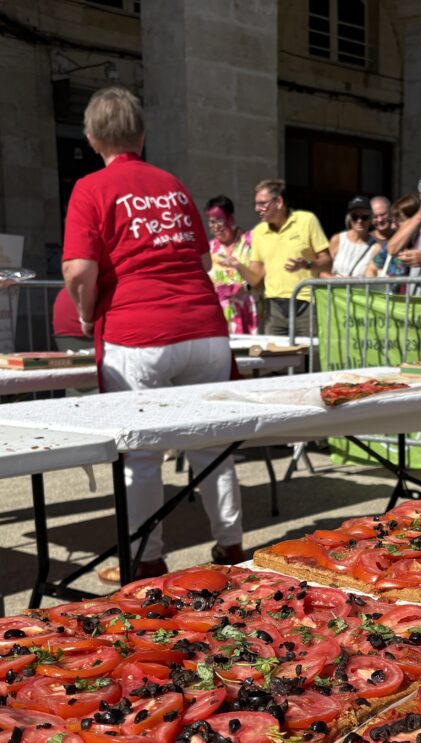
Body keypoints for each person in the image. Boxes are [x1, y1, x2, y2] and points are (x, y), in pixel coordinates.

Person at [61, 86, 243, 582]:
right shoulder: (174, 185)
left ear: (92, 137)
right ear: (142, 134)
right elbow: (204, 261)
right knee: (212, 442)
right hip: (204, 325)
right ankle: (230, 546)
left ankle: (146, 558)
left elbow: (79, 270)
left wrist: (83, 315)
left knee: (141, 453)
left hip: (137, 331)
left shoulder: (91, 188)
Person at [245, 179, 330, 336]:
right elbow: (255, 278)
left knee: (309, 358)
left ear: (278, 202)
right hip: (274, 310)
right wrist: (237, 265)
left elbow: (327, 261)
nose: (258, 209)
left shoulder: (307, 220)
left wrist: (308, 264)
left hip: (306, 306)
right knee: (276, 359)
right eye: (256, 204)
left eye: (263, 203)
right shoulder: (258, 232)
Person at [205, 195, 260, 334]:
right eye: (211, 222)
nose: (215, 227)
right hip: (220, 318)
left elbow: (261, 276)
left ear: (230, 218)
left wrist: (243, 286)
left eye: (219, 221)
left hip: (249, 312)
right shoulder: (210, 249)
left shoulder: (251, 241)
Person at [365, 193, 420, 279]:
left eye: (399, 221)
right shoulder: (394, 243)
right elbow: (371, 268)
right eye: (375, 216)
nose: (393, 226)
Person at [323, 196, 376, 278]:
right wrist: (337, 281)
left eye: (364, 217)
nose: (359, 221)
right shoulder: (337, 239)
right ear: (349, 218)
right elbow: (323, 272)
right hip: (334, 289)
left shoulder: (375, 246)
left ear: (371, 219)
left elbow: (373, 276)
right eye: (355, 217)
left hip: (360, 290)